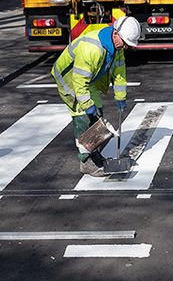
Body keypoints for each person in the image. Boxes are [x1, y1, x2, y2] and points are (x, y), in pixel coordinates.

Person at [53, 16, 141, 176]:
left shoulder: (117, 48)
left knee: (97, 117)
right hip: (69, 80)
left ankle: (94, 155)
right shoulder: (92, 48)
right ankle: (86, 162)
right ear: (115, 34)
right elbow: (79, 81)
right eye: (126, 43)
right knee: (83, 120)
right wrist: (87, 105)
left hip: (89, 80)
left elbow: (119, 73)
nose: (126, 47)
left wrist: (120, 97)